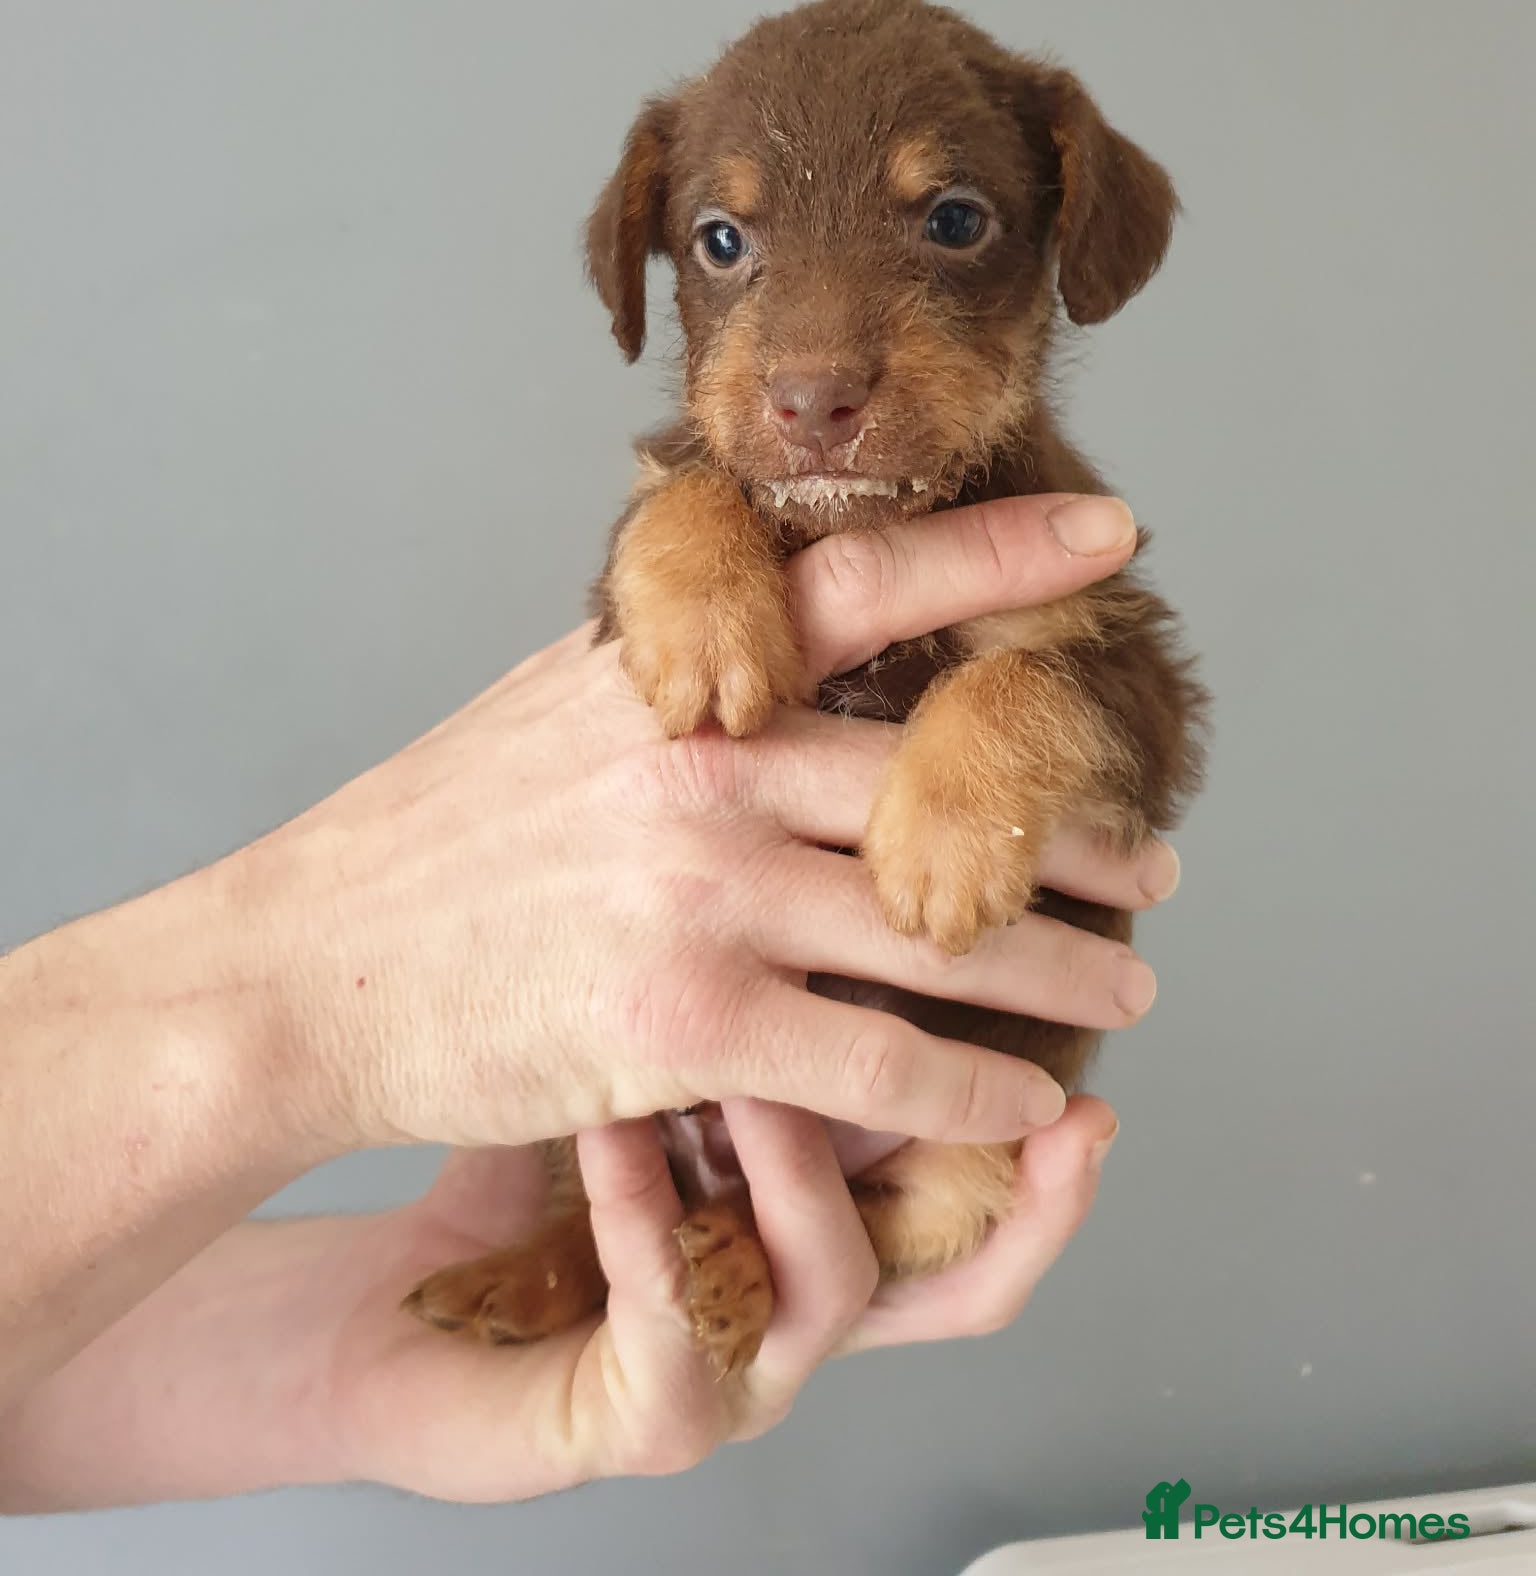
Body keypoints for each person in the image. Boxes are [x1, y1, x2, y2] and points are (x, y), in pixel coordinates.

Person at [0, 493, 1177, 1510]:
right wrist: (301, 994)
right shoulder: (696, 507)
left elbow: (1130, 716)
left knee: (944, 1179)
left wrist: (335, 1353)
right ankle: (615, 1230)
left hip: (901, 1133)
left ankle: (657, 1234)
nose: (818, 368)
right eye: (724, 246)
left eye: (955, 225)